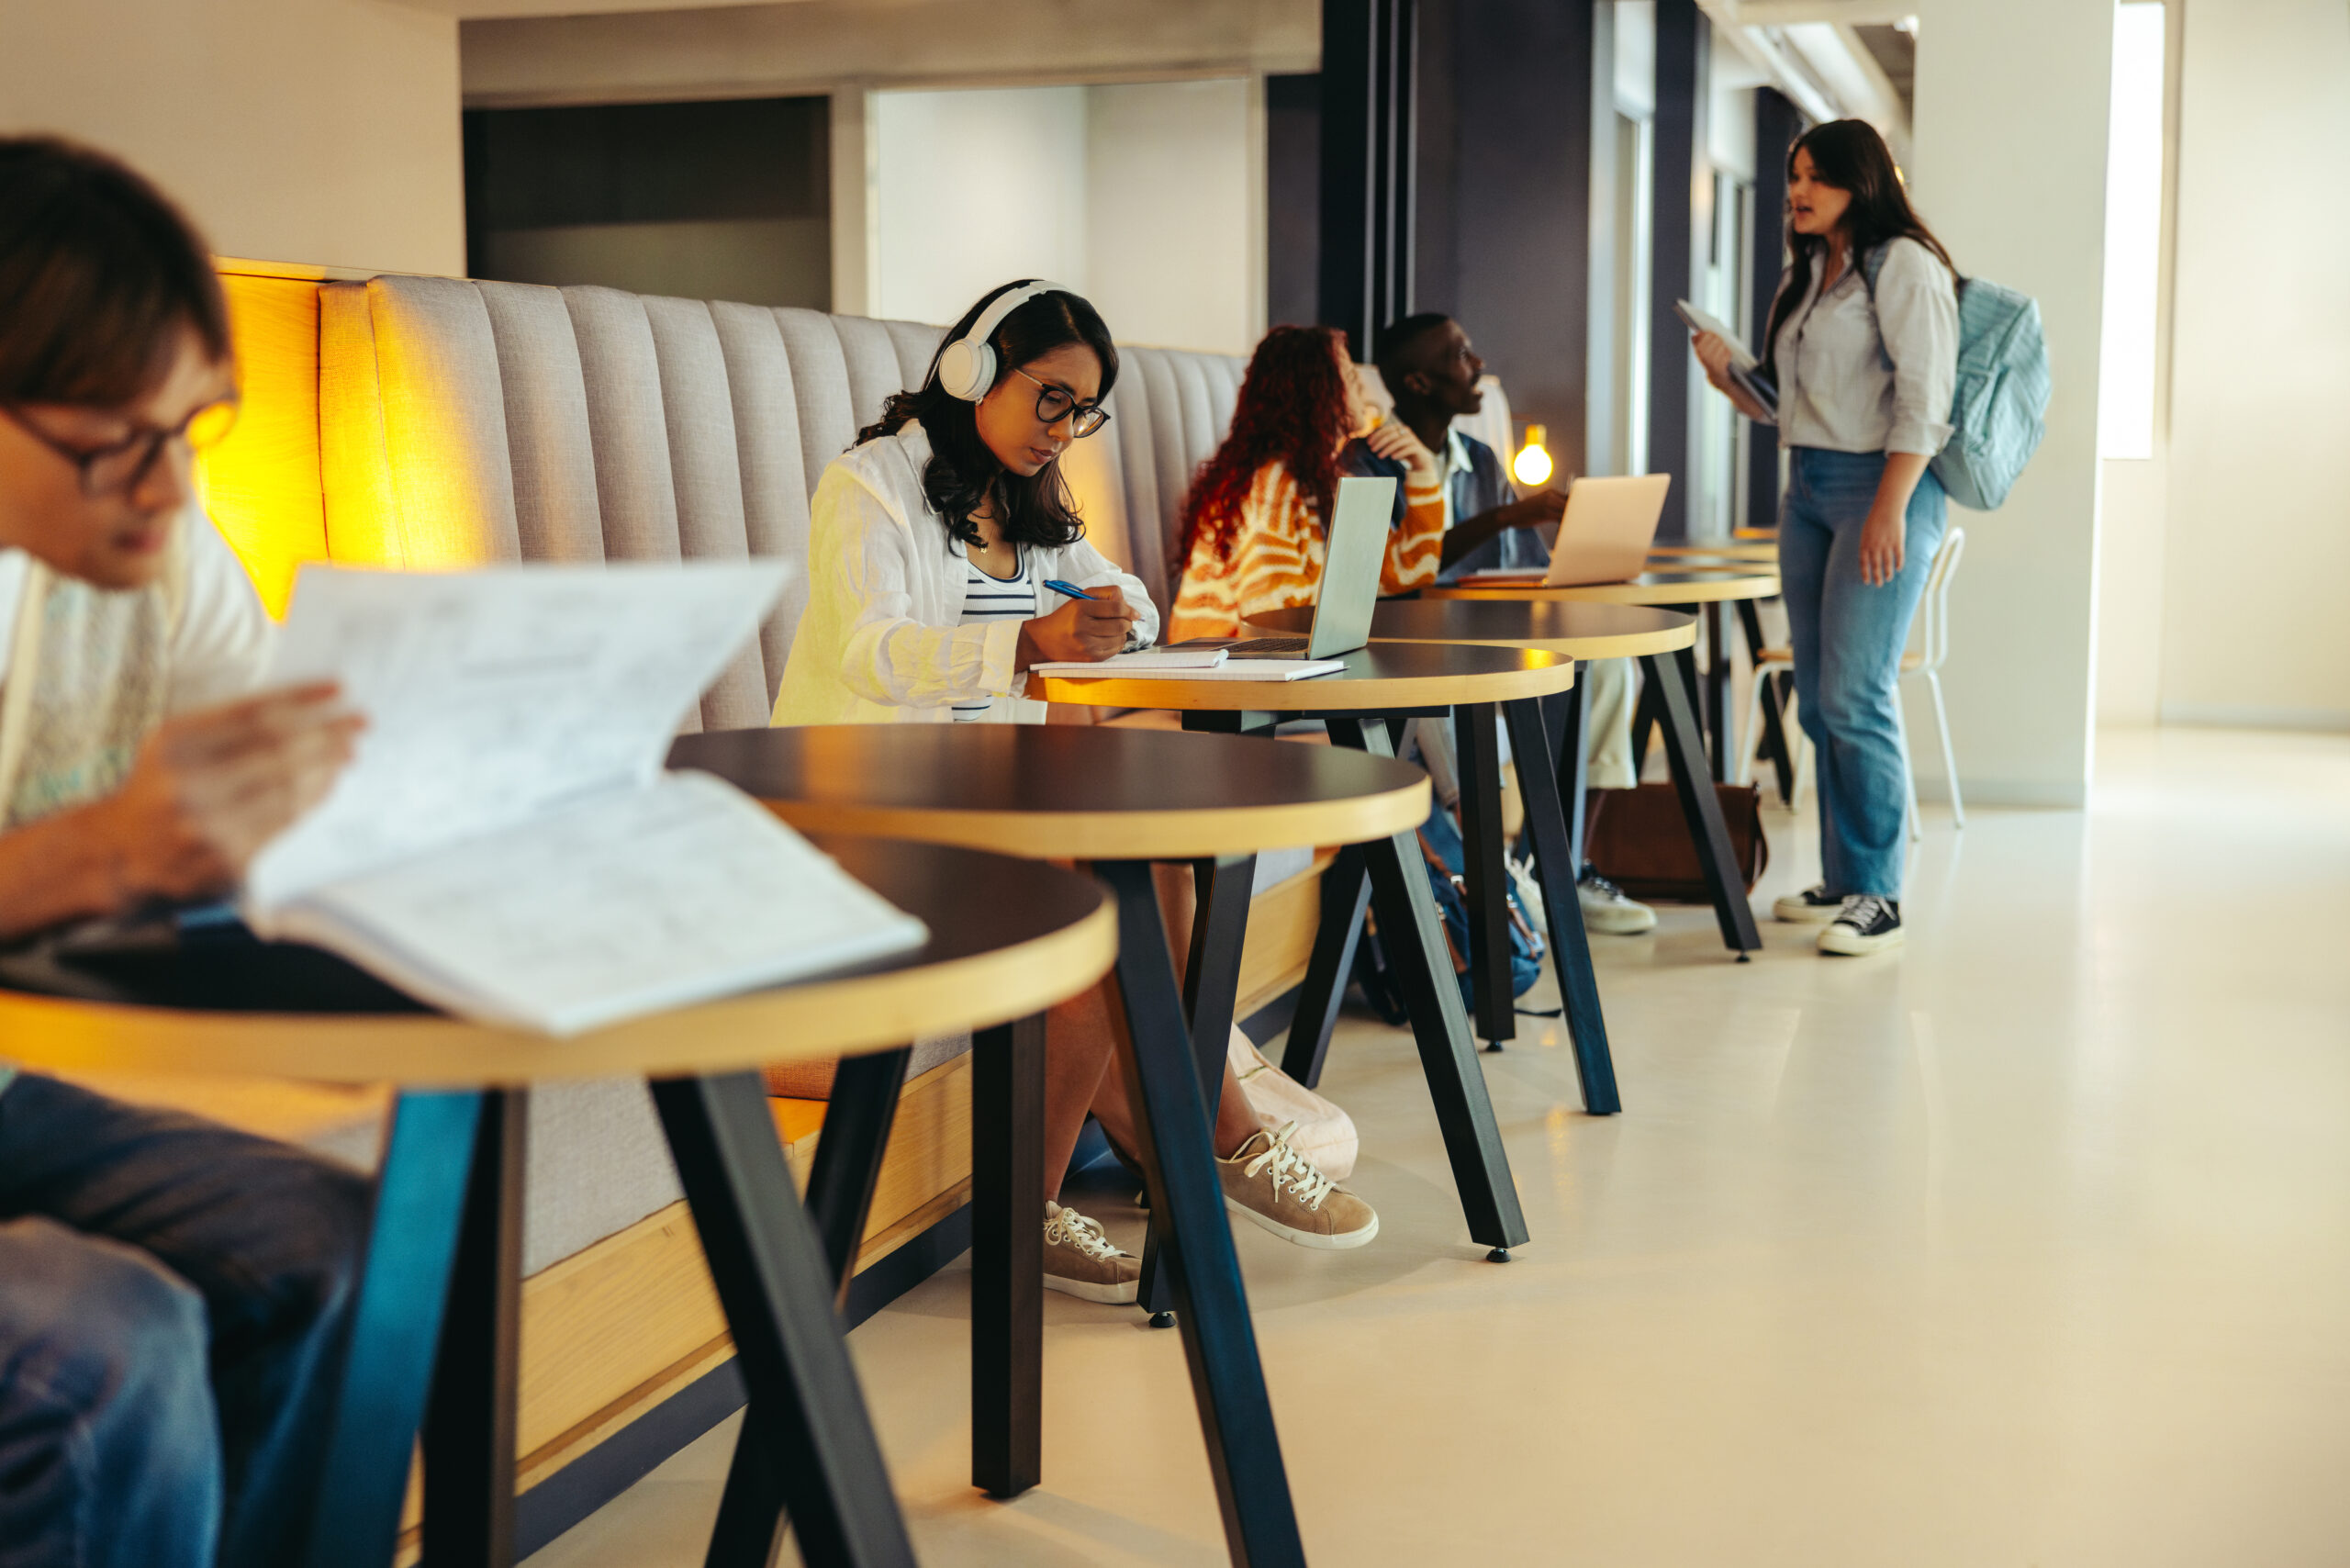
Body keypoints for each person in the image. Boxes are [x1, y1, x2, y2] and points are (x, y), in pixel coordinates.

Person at [775, 282, 1378, 1304]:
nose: (1063, 431)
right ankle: (1219, 1137)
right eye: (1050, 399)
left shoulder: (1029, 502)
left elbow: (1132, 597)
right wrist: (1022, 644)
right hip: (856, 827)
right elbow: (868, 652)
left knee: (1136, 849)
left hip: (980, 820)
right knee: (1105, 873)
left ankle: (1045, 1196)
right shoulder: (868, 486)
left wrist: (1104, 612)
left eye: (1082, 411)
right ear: (972, 369)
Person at [0, 137, 371, 1568]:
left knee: (333, 1246)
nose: (165, 492)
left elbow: (280, 770)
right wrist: (93, 855)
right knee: (104, 1351)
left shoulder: (149, 536)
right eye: (114, 440)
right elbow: (116, 850)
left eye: (191, 427)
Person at [1693, 118, 1958, 956]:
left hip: (1882, 487)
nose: (1798, 193)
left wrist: (1888, 506)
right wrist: (1729, 377)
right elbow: (1792, 403)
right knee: (1816, 696)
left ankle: (1879, 892)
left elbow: (1925, 401)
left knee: (1856, 693)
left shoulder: (1905, 267)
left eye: (1816, 178)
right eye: (1793, 176)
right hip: (1806, 486)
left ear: (1861, 182)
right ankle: (1845, 880)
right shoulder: (1808, 274)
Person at [1373, 313, 1656, 936]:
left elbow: (1527, 567)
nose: (1477, 365)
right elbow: (1393, 573)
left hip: (1488, 634)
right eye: (1461, 355)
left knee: (1607, 671)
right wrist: (1503, 518)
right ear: (1419, 382)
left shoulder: (1477, 457)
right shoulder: (1375, 462)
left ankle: (1559, 866)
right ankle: (1533, 877)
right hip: (1417, 642)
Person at [1168, 324, 1444, 642]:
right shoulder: (1271, 484)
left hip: (1276, 658)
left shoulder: (1325, 482)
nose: (1365, 396)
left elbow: (1410, 570)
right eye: (1352, 380)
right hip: (1220, 668)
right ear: (1320, 390)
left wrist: (1423, 468)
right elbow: (1274, 620)